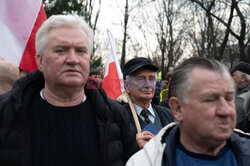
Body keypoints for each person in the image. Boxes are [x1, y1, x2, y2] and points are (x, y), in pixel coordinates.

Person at [0, 14, 139, 166]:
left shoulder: (115, 115)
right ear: (40, 61)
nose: (73, 59)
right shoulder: (5, 111)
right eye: (61, 50)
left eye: (80, 51)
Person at [126, 57, 250, 166]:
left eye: (229, 98)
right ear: (177, 109)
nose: (226, 111)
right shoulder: (143, 162)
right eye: (210, 100)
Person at [121, 57, 174, 149]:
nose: (148, 85)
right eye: (141, 79)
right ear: (127, 85)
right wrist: (134, 147)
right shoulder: (117, 118)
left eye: (152, 79)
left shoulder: (168, 115)